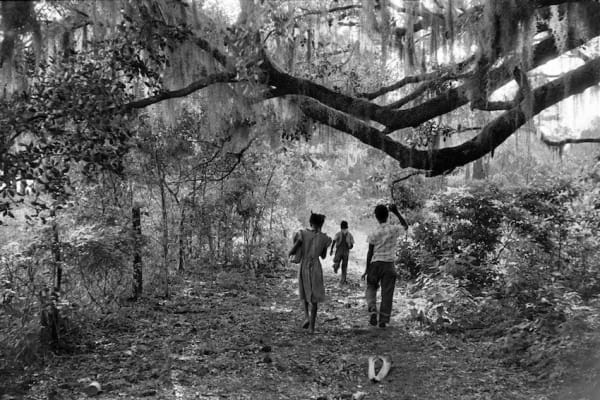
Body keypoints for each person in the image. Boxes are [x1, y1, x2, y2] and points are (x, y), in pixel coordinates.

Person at [361, 204, 408, 328]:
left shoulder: (373, 233)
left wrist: (367, 269)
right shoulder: (393, 230)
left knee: (371, 287)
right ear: (387, 216)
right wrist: (396, 212)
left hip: (375, 264)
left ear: (376, 217)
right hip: (389, 265)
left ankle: (372, 308)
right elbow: (405, 226)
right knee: (387, 293)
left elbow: (370, 252)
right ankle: (383, 319)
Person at [288, 213, 332, 333]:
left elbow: (294, 249)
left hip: (304, 266)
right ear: (321, 224)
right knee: (315, 296)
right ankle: (312, 327)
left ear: (310, 223)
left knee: (304, 291)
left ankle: (306, 316)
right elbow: (323, 256)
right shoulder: (324, 238)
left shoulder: (302, 234)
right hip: (316, 267)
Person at [330, 220, 355, 285]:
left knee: (341, 264)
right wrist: (331, 249)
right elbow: (334, 241)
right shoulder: (348, 234)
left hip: (343, 251)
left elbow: (334, 241)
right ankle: (341, 277)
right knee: (341, 264)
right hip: (342, 251)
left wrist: (332, 249)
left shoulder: (344, 234)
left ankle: (343, 279)